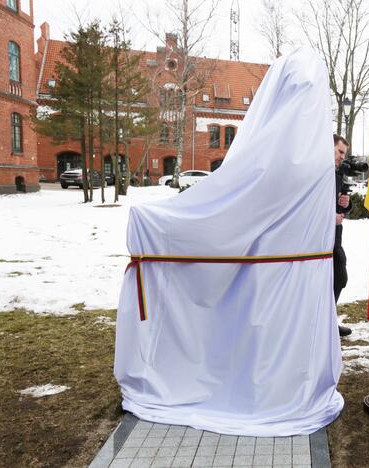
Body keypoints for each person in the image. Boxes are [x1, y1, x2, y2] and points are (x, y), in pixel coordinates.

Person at [114, 48, 344, 436]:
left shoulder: (299, 155)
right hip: (279, 270)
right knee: (266, 336)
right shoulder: (297, 155)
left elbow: (234, 204)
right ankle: (270, 391)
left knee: (267, 334)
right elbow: (235, 203)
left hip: (289, 272)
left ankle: (269, 391)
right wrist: (159, 222)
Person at [334, 134, 353, 337]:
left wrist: (347, 204)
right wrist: (330, 218)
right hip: (316, 241)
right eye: (339, 152)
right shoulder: (318, 174)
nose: (342, 157)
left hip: (334, 238)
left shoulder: (338, 175)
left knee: (340, 277)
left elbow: (340, 208)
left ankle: (328, 320)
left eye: (344, 153)